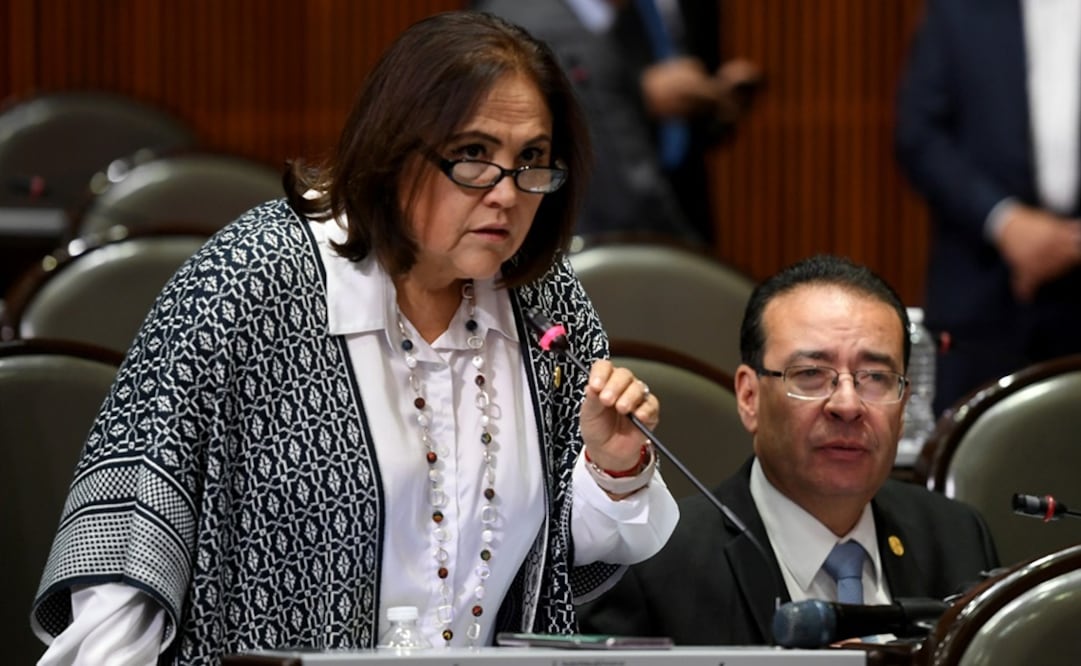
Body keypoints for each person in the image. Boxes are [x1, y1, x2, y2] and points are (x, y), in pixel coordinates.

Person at [31, 11, 679, 664]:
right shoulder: (257, 276)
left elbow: (555, 561)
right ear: (393, 149)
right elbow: (130, 531)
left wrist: (613, 472)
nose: (506, 195)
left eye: (531, 160)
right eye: (473, 155)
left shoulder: (545, 300)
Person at [577, 255, 999, 645]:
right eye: (811, 374)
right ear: (748, 397)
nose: (848, 405)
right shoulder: (657, 564)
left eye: (875, 377)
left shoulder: (956, 537)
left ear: (904, 403)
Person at [895, 0, 1081, 415]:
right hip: (980, 294)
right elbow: (919, 134)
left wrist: (1071, 242)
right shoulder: (960, 9)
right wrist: (1005, 221)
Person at [474, 0, 760, 246]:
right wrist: (694, 260)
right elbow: (624, 191)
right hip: (583, 253)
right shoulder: (559, 33)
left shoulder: (568, 22)